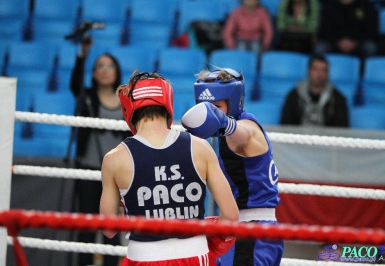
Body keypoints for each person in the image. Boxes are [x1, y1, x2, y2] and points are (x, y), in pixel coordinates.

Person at [100, 71, 239, 265]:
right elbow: (231, 216)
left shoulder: (114, 159)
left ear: (128, 108)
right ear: (167, 104)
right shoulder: (200, 147)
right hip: (195, 257)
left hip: (142, 258)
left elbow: (108, 229)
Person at [181, 68, 284, 266]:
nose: (211, 112)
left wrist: (222, 122)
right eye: (206, 107)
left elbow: (244, 134)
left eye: (217, 106)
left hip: (252, 232)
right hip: (250, 229)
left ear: (235, 101)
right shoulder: (227, 134)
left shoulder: (246, 128)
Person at [69, 39, 130, 266]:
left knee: (111, 228)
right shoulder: (86, 97)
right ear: (93, 73)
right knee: (87, 224)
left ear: (117, 71)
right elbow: (75, 84)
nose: (105, 71)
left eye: (110, 66)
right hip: (89, 168)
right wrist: (82, 55)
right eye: (100, 67)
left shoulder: (126, 98)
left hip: (117, 172)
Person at [280, 54, 349, 127]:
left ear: (328, 73)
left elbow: (342, 128)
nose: (319, 74)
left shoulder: (338, 98)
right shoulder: (294, 95)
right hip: (299, 137)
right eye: (315, 69)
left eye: (323, 70)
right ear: (308, 71)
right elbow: (286, 124)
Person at [314, 0, 378, 59]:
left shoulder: (365, 5)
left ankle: (363, 70)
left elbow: (371, 30)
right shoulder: (329, 5)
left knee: (370, 47)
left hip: (358, 43)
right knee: (320, 48)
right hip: (334, 42)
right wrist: (337, 42)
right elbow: (324, 30)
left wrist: (355, 42)